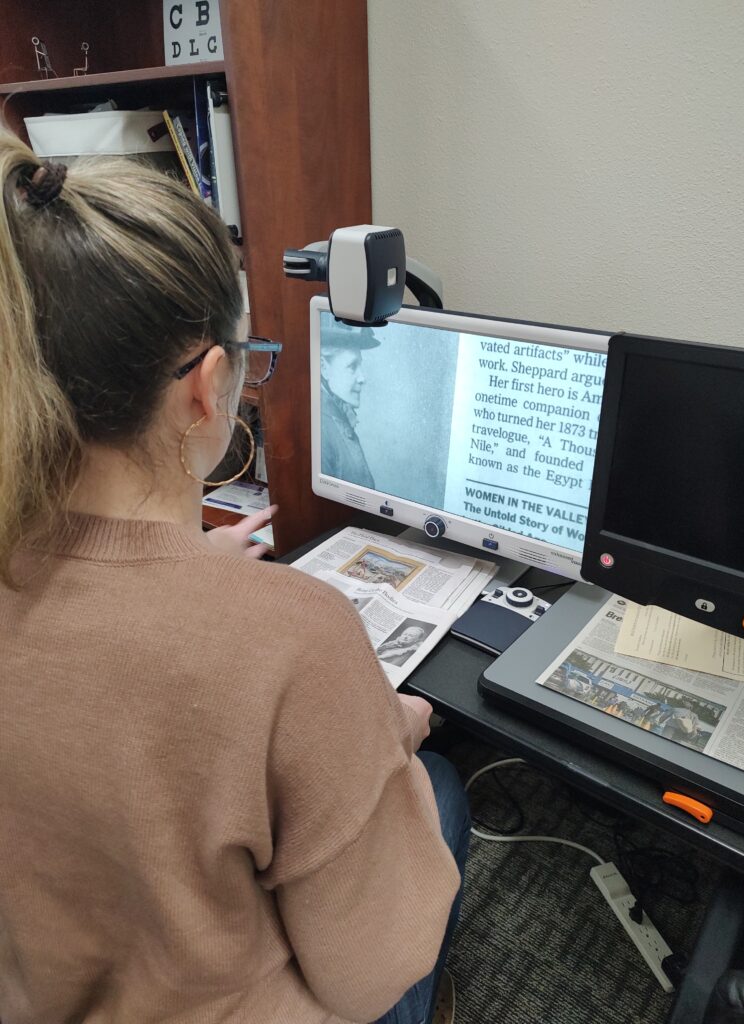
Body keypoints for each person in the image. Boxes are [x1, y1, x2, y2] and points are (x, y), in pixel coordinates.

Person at [0, 130, 470, 1024]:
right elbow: (365, 979)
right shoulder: (298, 635)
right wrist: (385, 737)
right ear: (208, 387)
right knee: (442, 788)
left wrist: (180, 583)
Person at [320, 321, 379, 488]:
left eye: (360, 365)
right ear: (324, 367)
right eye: (352, 366)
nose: (362, 378)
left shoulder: (338, 417)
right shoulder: (323, 428)